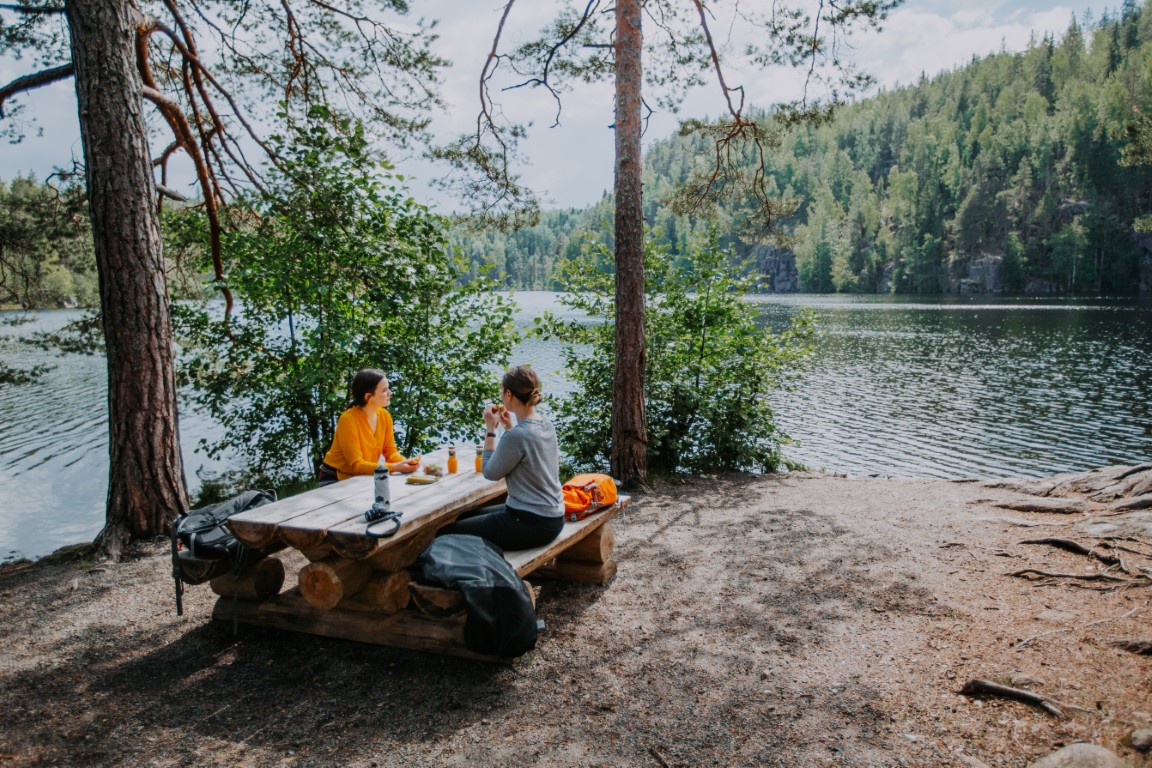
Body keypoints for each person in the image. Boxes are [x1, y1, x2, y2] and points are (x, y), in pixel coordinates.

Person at [438, 365, 565, 550]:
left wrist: (490, 430)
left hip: (532, 523)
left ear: (508, 395)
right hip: (553, 517)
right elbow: (532, 455)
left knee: (445, 534)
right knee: (464, 518)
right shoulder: (546, 424)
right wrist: (507, 427)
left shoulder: (517, 435)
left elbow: (490, 472)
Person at [317, 369, 420, 486]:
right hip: (336, 477)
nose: (390, 393)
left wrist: (406, 463)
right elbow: (356, 465)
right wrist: (395, 467)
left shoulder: (384, 416)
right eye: (384, 390)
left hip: (362, 476)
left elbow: (391, 453)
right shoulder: (348, 420)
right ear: (368, 396)